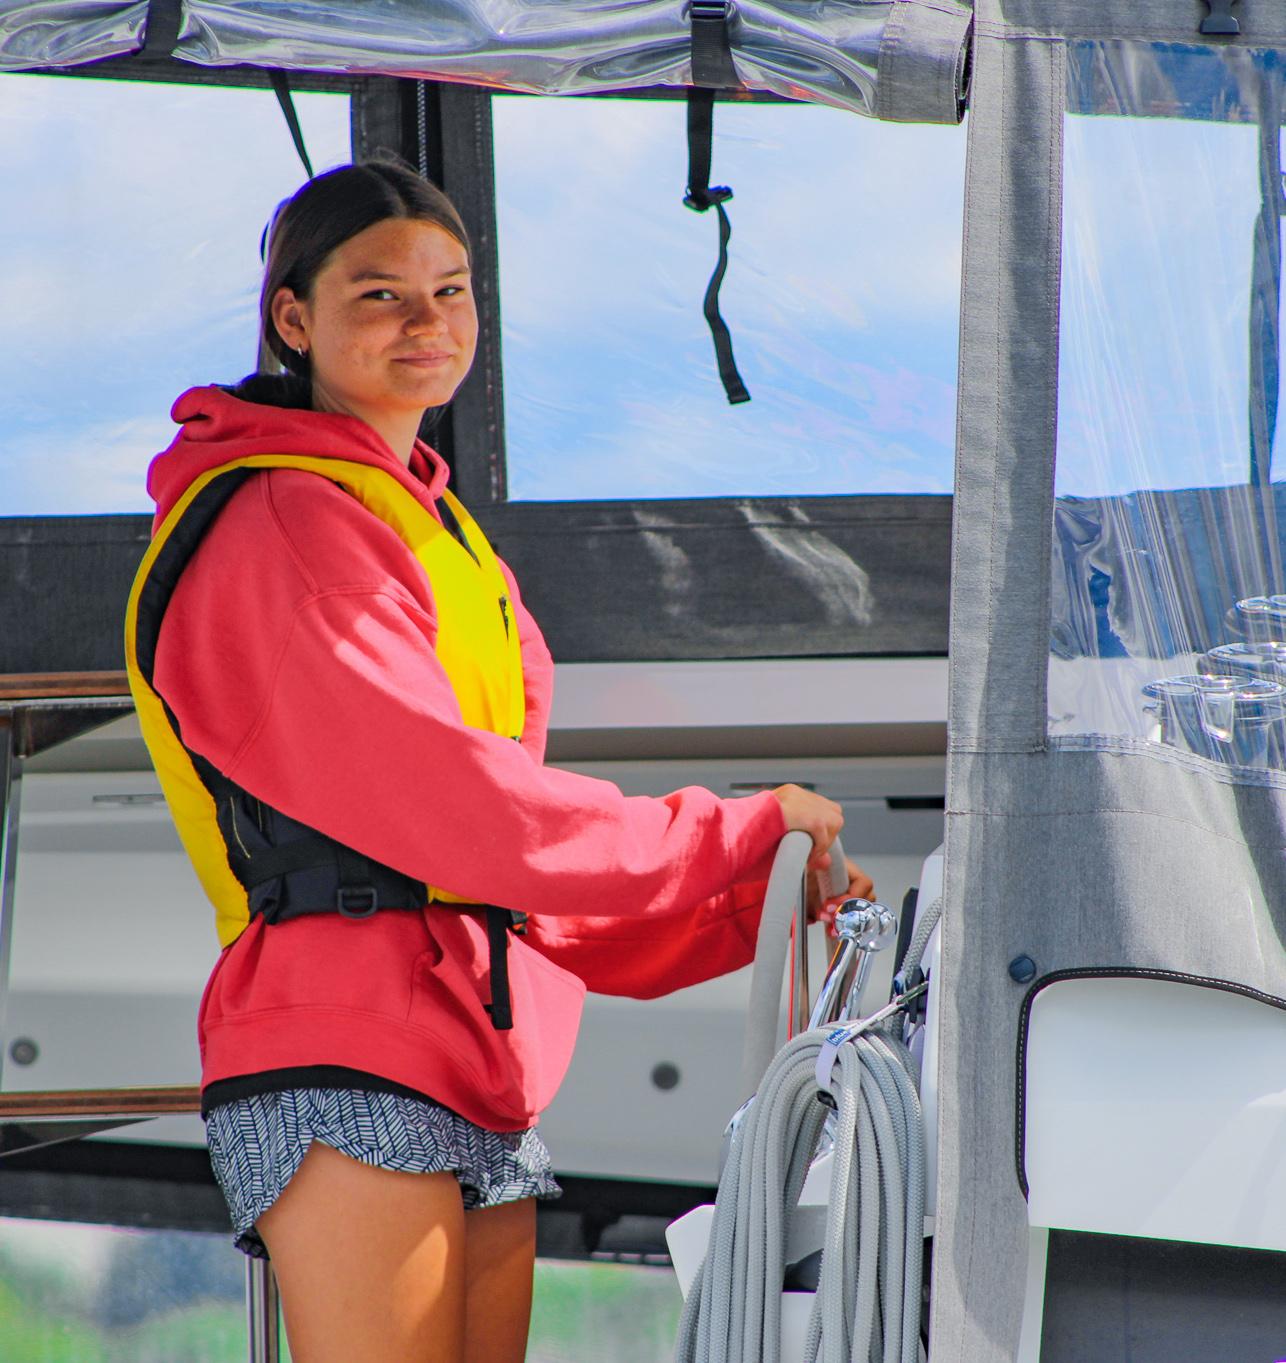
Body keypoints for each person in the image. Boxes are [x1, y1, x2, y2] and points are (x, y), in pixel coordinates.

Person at [126, 158, 873, 1363]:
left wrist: (752, 905)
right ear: (293, 319)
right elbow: (468, 813)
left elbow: (502, 881)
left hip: (468, 1048)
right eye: (380, 293)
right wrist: (730, 830)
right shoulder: (285, 521)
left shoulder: (430, 524)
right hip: (346, 1034)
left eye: (451, 289)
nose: (425, 320)